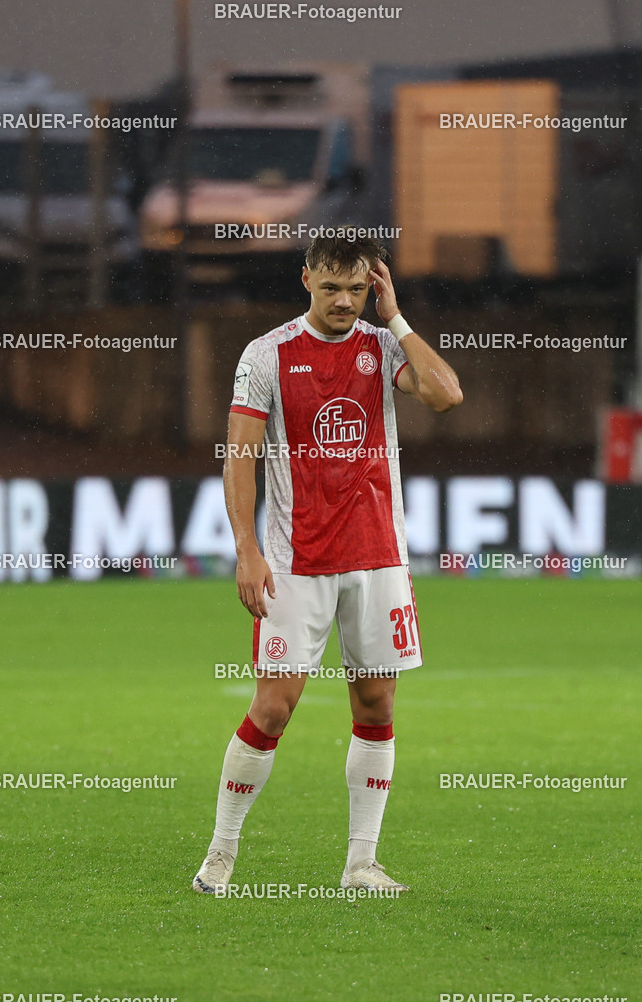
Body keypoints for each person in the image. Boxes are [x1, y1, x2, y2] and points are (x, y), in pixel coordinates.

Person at [193, 233, 462, 895]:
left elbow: (445, 394)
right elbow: (239, 457)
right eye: (331, 287)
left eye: (357, 289)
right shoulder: (268, 354)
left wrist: (395, 315)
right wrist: (248, 552)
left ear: (373, 285)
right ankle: (221, 852)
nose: (344, 302)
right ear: (306, 278)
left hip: (377, 562)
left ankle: (360, 864)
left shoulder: (381, 345)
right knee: (273, 709)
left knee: (375, 703)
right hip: (296, 562)